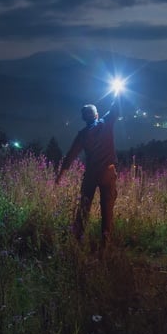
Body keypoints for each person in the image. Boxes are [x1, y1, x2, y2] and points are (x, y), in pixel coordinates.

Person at [55, 97, 120, 244]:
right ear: (97, 115)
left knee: (84, 206)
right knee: (107, 209)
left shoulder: (82, 135)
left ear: (84, 118)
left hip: (91, 174)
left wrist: (60, 175)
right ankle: (105, 242)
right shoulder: (106, 122)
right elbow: (116, 107)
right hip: (108, 173)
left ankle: (77, 238)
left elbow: (71, 155)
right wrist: (118, 92)